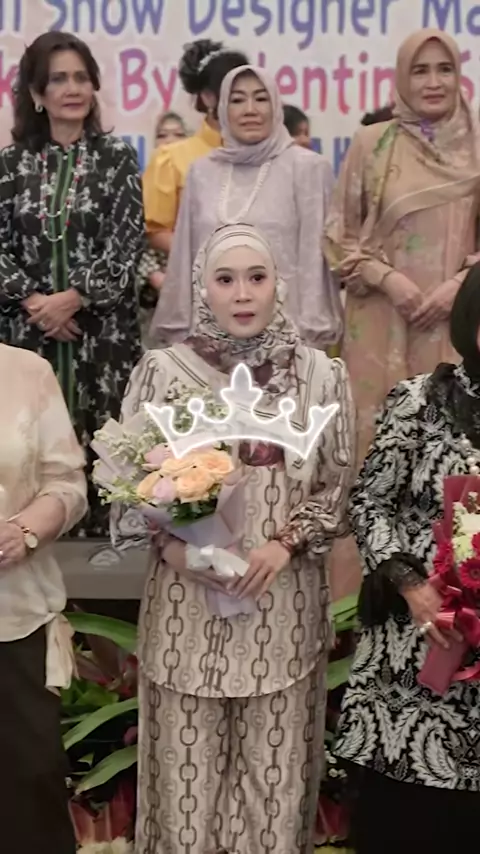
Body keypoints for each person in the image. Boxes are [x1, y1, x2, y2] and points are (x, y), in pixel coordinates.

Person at [114, 224, 355, 854]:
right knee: (183, 795)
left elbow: (337, 486)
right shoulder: (163, 371)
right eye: (225, 279)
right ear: (202, 289)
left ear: (280, 285)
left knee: (276, 791)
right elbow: (126, 485)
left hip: (281, 610)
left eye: (257, 277)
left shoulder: (320, 375)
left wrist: (285, 542)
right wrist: (175, 548)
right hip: (186, 612)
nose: (242, 294)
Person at [334, 265, 480, 853]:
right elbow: (369, 501)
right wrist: (411, 583)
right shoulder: (418, 400)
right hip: (419, 635)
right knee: (411, 818)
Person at [0, 31, 144, 536]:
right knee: (31, 450)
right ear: (36, 93)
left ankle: (107, 562)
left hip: (101, 337)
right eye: (58, 78)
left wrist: (74, 298)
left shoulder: (117, 158)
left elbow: (126, 243)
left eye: (81, 77)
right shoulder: (10, 165)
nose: (72, 88)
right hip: (25, 336)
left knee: (108, 453)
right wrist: (35, 302)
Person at [324, 28, 480, 467]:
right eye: (420, 71)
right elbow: (337, 236)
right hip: (380, 317)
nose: (433, 82)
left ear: (459, 76)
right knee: (377, 446)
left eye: (444, 69)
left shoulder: (477, 146)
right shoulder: (372, 144)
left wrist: (461, 284)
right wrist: (387, 279)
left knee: (451, 451)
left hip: (457, 319)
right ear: (401, 79)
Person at [151, 65, 342, 350]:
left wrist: (309, 338)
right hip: (212, 340)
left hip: (286, 339)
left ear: (276, 106)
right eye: (237, 100)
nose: (250, 110)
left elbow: (314, 262)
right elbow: (185, 256)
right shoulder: (202, 172)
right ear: (222, 110)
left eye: (261, 98)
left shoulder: (308, 169)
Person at [0, 343, 87, 854]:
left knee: (29, 783)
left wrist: (24, 531)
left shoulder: (27, 371)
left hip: (16, 616)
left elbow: (67, 482)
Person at [143, 38, 249, 283]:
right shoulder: (171, 158)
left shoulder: (262, 155)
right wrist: (212, 256)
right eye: (237, 96)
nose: (247, 105)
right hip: (195, 279)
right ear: (209, 97)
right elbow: (156, 231)